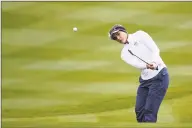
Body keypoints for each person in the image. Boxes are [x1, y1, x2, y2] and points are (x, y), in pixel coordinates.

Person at [108, 24, 169, 123]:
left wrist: (154, 62)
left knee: (149, 112)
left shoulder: (140, 35)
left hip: (159, 76)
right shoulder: (124, 53)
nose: (118, 38)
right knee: (139, 111)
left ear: (124, 31)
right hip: (145, 81)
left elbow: (155, 49)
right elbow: (136, 64)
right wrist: (146, 66)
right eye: (115, 38)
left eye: (118, 34)